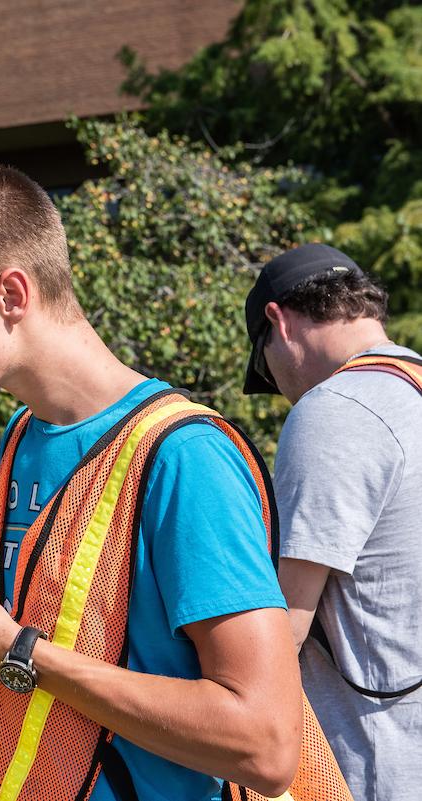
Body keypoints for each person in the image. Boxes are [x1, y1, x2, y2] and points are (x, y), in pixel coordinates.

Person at [0, 160, 304, 801]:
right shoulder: (23, 436)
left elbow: (264, 745)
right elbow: (64, 644)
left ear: (11, 295)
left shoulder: (186, 457)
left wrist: (16, 651)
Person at [242, 243, 422, 801]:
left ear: (278, 322)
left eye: (265, 369)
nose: (279, 390)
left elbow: (280, 632)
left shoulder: (334, 408)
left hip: (376, 764)